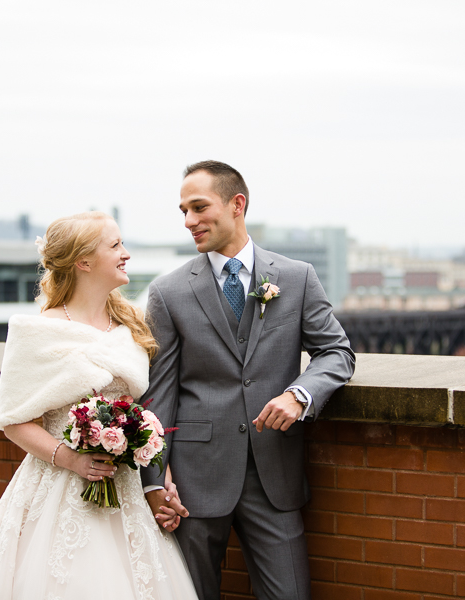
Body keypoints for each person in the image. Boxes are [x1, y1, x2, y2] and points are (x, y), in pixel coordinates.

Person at [0, 211, 198, 600]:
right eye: (115, 245)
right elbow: (15, 422)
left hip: (125, 486)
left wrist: (158, 476)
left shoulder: (129, 326)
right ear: (83, 261)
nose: (126, 254)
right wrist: (74, 460)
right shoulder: (37, 333)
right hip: (59, 486)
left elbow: (138, 415)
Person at [141, 161, 356, 599]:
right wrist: (153, 480)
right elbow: (158, 396)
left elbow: (337, 352)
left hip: (274, 475)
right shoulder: (169, 293)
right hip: (195, 483)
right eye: (183, 210)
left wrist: (300, 394)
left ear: (237, 204)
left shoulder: (296, 278)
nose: (189, 221)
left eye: (199, 207)